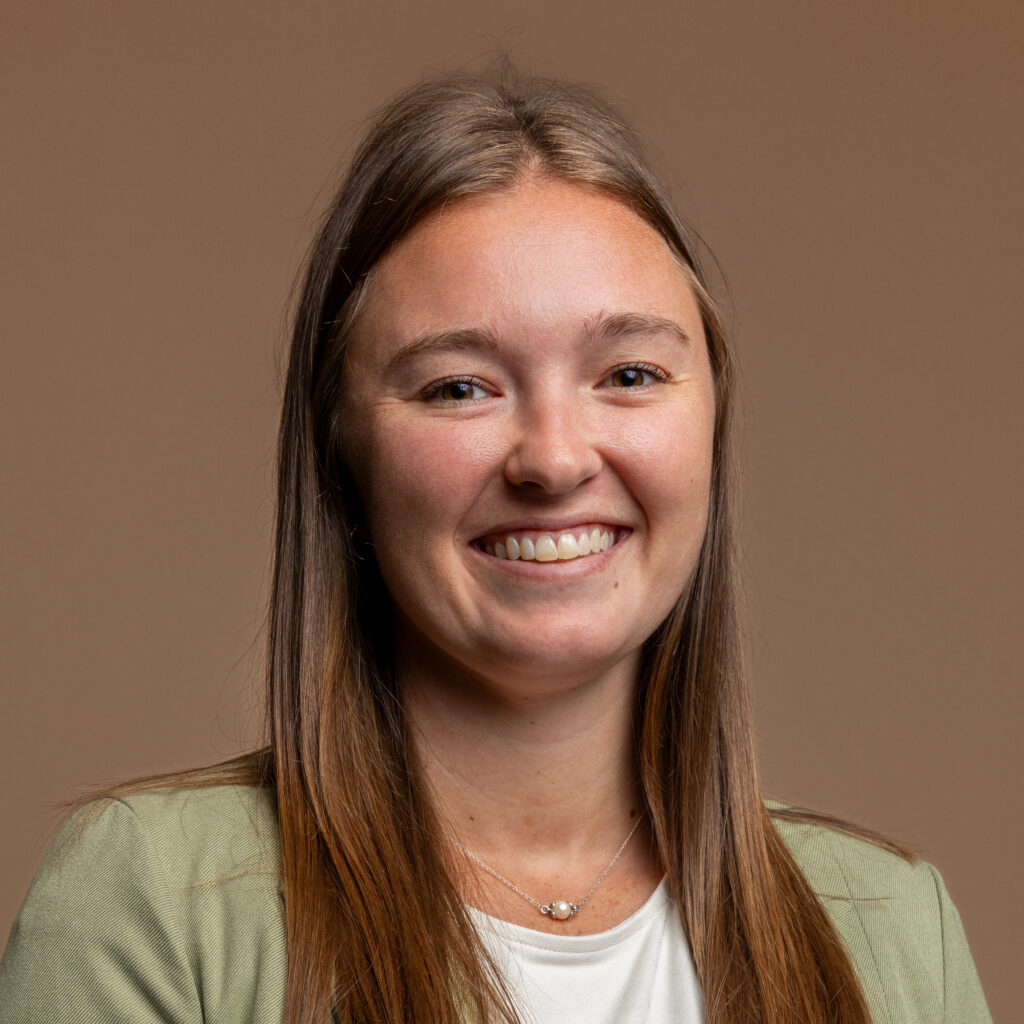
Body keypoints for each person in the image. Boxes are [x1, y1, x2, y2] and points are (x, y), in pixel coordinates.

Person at [0, 67, 991, 1024]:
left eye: (630, 373)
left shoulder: (892, 927)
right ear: (343, 452)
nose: (555, 459)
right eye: (459, 386)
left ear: (713, 423)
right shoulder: (154, 903)